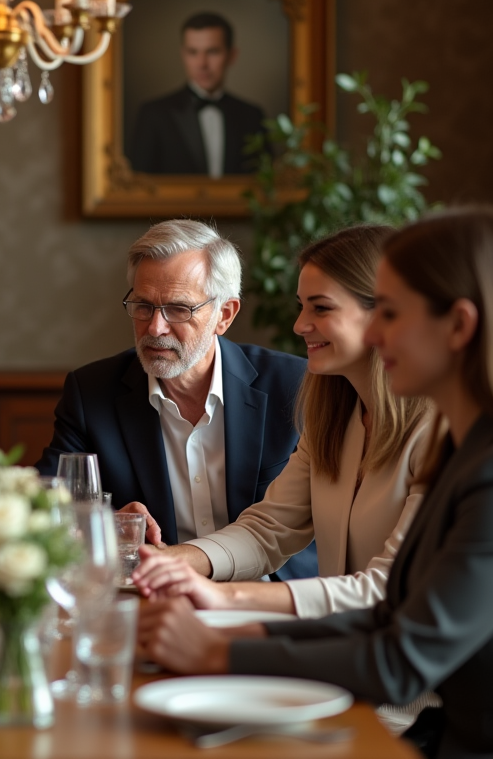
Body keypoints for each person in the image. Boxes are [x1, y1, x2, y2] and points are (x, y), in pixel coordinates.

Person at [137, 206, 493, 759]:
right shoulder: (471, 446)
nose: (376, 332)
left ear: (459, 326)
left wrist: (220, 647)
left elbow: (404, 656)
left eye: (392, 313)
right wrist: (232, 630)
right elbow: (390, 614)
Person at [133, 225, 431, 616]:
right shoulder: (332, 416)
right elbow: (268, 530)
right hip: (341, 640)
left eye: (320, 308)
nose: (299, 325)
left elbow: (390, 586)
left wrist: (227, 597)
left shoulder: (440, 430)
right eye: (302, 306)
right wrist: (173, 561)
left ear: (385, 313)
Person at [35, 219, 317, 580]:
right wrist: (105, 526)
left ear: (224, 315)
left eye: (179, 309)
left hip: (270, 597)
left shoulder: (295, 386)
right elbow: (46, 506)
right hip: (153, 593)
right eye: (143, 306)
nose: (155, 328)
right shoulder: (92, 392)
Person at [127, 12, 267, 177]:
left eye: (213, 52)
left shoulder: (252, 116)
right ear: (183, 55)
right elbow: (138, 184)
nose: (202, 63)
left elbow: (265, 182)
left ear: (232, 55)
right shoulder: (154, 114)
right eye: (193, 52)